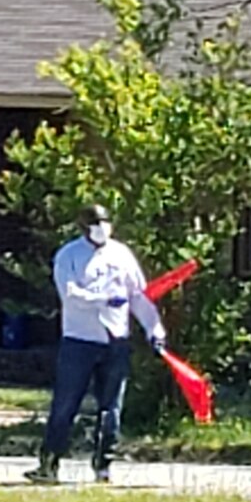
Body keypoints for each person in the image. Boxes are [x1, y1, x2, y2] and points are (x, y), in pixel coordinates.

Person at [25, 204, 166, 484]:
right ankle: (49, 463)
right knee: (66, 404)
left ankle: (103, 466)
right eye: (95, 223)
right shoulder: (69, 256)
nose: (102, 228)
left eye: (105, 222)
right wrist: (102, 299)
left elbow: (138, 296)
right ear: (83, 227)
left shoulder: (121, 254)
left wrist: (154, 329)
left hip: (116, 340)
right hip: (79, 340)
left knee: (111, 406)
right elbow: (70, 294)